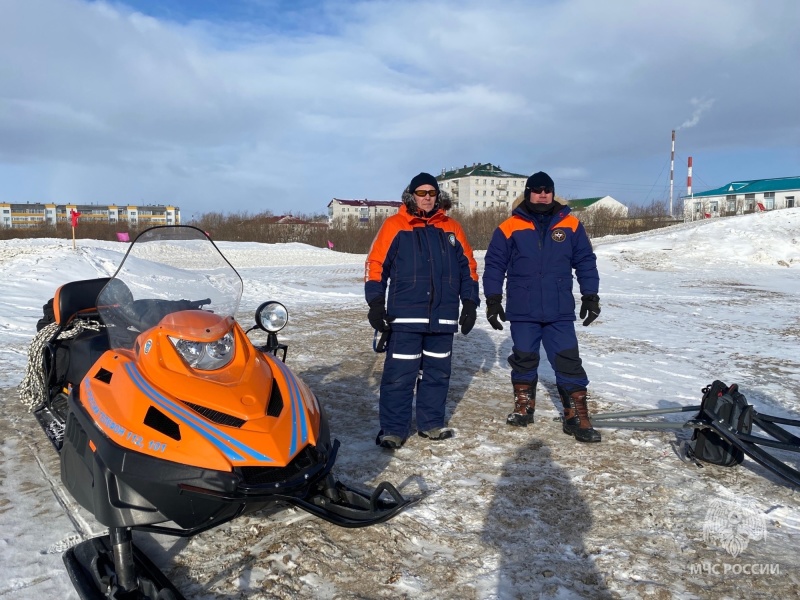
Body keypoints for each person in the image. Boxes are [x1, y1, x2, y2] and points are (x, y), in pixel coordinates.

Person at [483, 171, 602, 443]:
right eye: (536, 190)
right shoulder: (509, 227)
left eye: (547, 189)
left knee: (568, 360)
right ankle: (524, 406)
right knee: (524, 356)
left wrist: (590, 296)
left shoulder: (571, 224)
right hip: (523, 308)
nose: (542, 194)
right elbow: (494, 265)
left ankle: (577, 415)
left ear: (552, 191)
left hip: (558, 309)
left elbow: (585, 261)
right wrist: (492, 300)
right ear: (528, 193)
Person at [365, 172, 480, 449]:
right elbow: (376, 264)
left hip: (443, 318)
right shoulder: (395, 225)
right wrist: (376, 303)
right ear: (412, 195)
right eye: (422, 192)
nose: (427, 197)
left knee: (437, 374)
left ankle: (431, 424)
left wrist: (471, 303)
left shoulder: (452, 227)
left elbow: (469, 268)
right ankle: (393, 429)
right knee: (399, 375)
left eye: (431, 193)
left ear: (437, 196)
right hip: (405, 317)